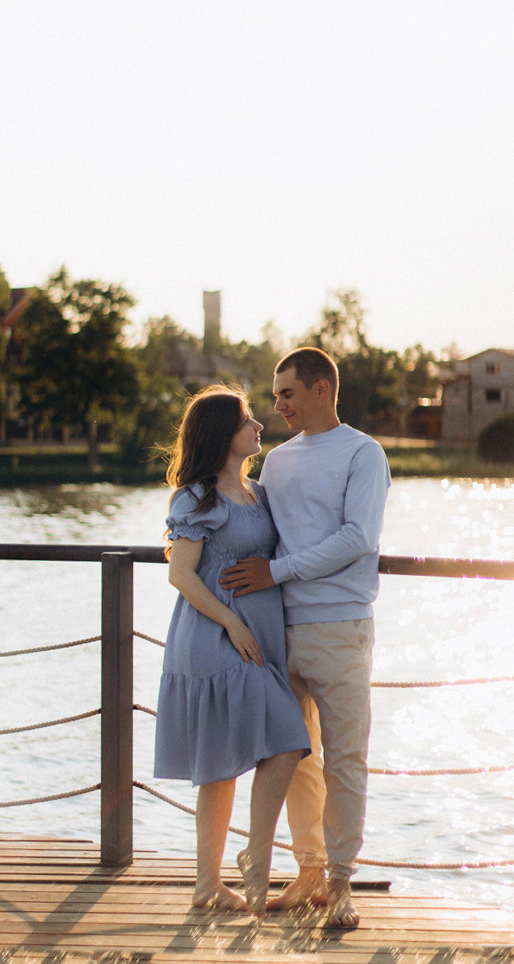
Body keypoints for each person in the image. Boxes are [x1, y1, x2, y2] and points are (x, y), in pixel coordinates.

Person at [220, 348, 391, 929]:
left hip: (341, 627)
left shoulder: (363, 453)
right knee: (292, 760)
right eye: (274, 397)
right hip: (279, 628)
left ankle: (342, 884)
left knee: (345, 758)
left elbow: (358, 537)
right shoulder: (278, 462)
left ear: (321, 388)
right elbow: (257, 531)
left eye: (287, 394)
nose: (278, 406)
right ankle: (310, 871)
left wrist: (280, 572)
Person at [154, 385, 311, 918]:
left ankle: (208, 883)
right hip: (214, 640)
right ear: (224, 432)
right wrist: (231, 623)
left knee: (233, 761)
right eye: (248, 420)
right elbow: (181, 574)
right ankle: (246, 860)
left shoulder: (259, 493)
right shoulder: (197, 498)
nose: (259, 427)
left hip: (257, 639)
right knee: (286, 739)